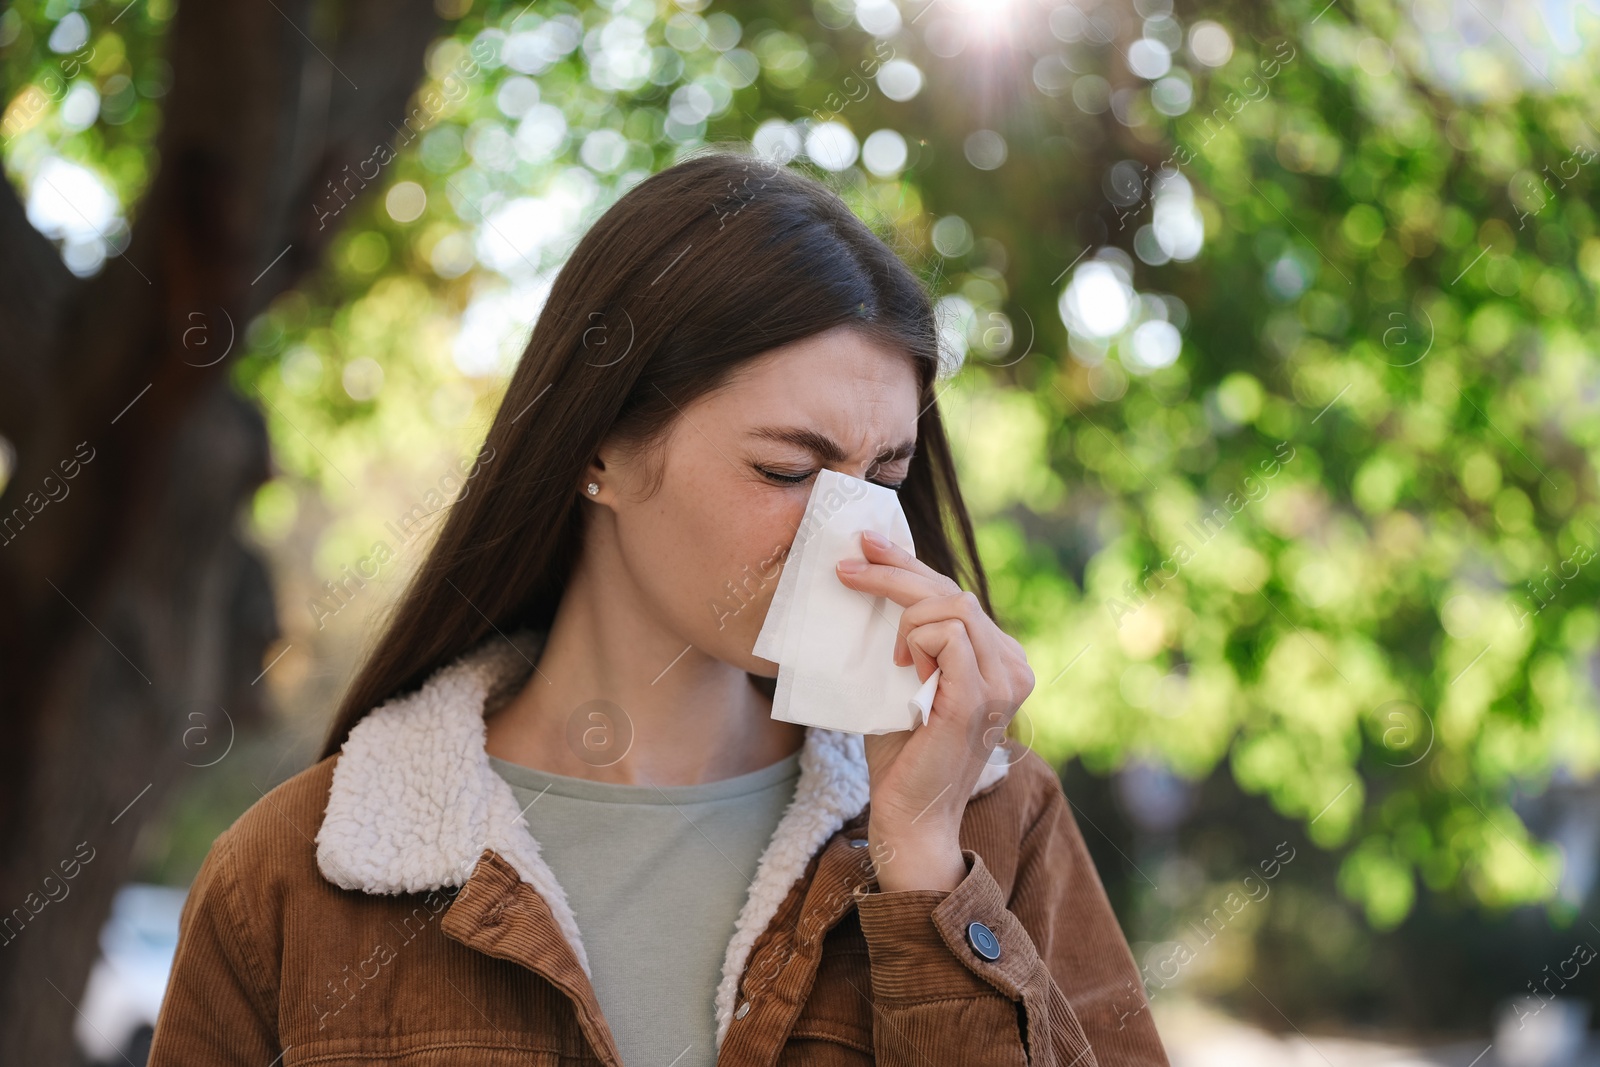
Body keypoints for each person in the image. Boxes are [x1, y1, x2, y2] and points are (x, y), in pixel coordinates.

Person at [147, 149, 1169, 1066]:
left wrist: (924, 878)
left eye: (884, 475)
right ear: (599, 447)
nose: (856, 536)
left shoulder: (996, 820)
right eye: (785, 469)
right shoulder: (294, 874)